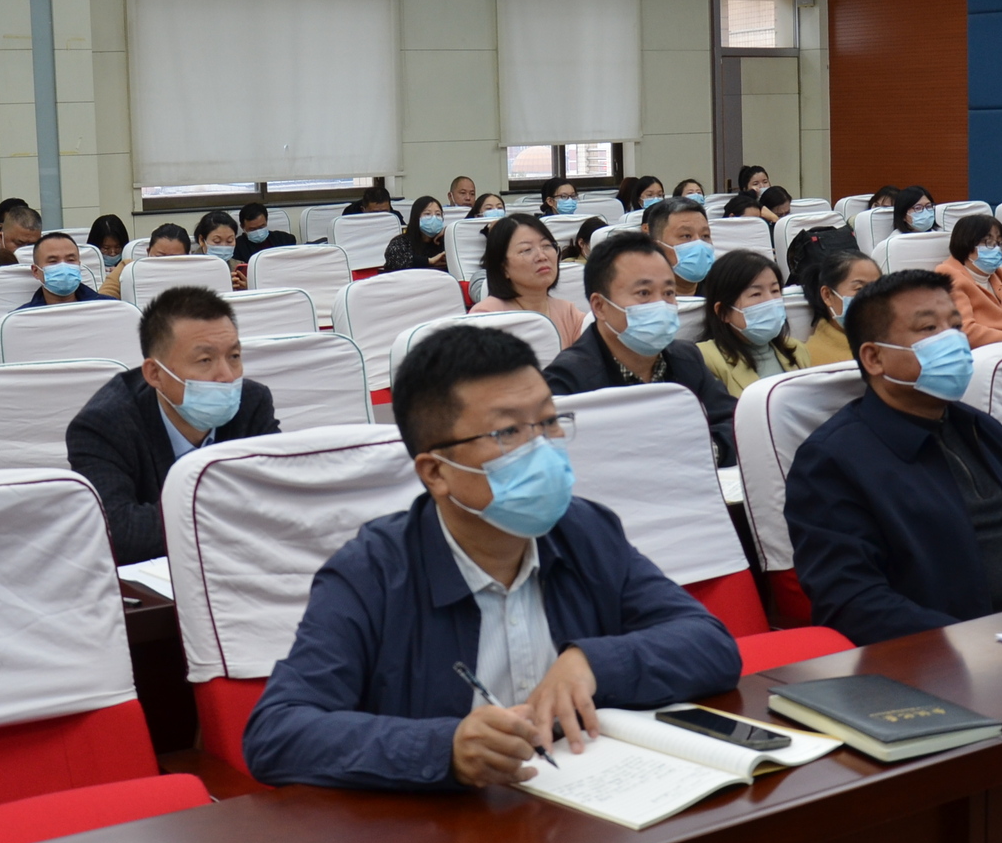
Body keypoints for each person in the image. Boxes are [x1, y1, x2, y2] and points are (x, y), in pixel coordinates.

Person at [241, 324, 740, 791]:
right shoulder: (371, 572)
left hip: (592, 804)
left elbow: (710, 645)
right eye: (508, 433)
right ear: (435, 472)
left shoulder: (584, 530)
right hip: (446, 835)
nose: (541, 449)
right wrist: (444, 748)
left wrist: (591, 663)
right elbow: (278, 731)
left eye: (549, 422)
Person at [784, 269, 1002, 644]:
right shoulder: (831, 461)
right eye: (928, 329)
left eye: (955, 326)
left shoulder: (981, 428)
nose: (952, 340)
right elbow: (854, 603)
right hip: (963, 653)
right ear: (874, 358)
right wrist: (976, 645)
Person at [65, 286, 279, 564]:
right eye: (205, 360)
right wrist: (236, 508)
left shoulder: (252, 401)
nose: (227, 376)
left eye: (234, 356)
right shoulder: (103, 425)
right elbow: (119, 534)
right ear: (155, 373)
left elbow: (282, 495)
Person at [543, 231, 736, 462]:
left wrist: (702, 452)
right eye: (644, 293)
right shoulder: (567, 379)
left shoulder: (687, 358)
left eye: (668, 293)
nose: (661, 304)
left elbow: (733, 423)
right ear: (600, 306)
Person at [696, 249, 808, 398]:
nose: (770, 301)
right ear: (723, 312)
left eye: (775, 291)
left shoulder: (796, 349)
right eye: (756, 294)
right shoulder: (704, 359)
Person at [469, 213, 584, 349]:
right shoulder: (485, 317)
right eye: (526, 250)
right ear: (503, 267)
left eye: (546, 245)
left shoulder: (569, 313)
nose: (542, 256)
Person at [938, 214, 1002, 347]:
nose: (996, 249)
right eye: (988, 242)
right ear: (966, 243)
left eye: (1000, 243)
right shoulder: (949, 277)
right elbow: (966, 331)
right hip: (984, 351)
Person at [802, 247, 881, 367]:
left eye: (877, 288)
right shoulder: (812, 358)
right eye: (859, 289)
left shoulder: (892, 341)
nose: (871, 296)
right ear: (827, 295)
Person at [640, 195, 714, 296]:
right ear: (656, 246)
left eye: (705, 236)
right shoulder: (638, 298)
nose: (699, 244)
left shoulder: (723, 293)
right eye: (686, 236)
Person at [21, 230, 113, 309]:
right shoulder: (22, 318)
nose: (63, 266)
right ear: (36, 271)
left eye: (70, 260)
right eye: (53, 261)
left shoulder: (108, 308)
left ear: (79, 266)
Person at [104, 224, 189, 300]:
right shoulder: (127, 268)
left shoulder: (194, 272)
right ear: (148, 252)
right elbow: (103, 301)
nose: (166, 264)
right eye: (159, 257)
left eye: (174, 258)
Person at [383, 197, 448, 272]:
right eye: (427, 214)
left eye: (438, 214)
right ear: (416, 217)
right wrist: (429, 261)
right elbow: (395, 259)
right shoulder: (401, 241)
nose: (434, 218)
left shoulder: (444, 242)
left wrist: (448, 231)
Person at [191, 211, 249, 290]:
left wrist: (247, 288)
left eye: (230, 241)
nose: (224, 246)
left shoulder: (238, 266)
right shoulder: (189, 267)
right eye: (217, 241)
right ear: (201, 240)